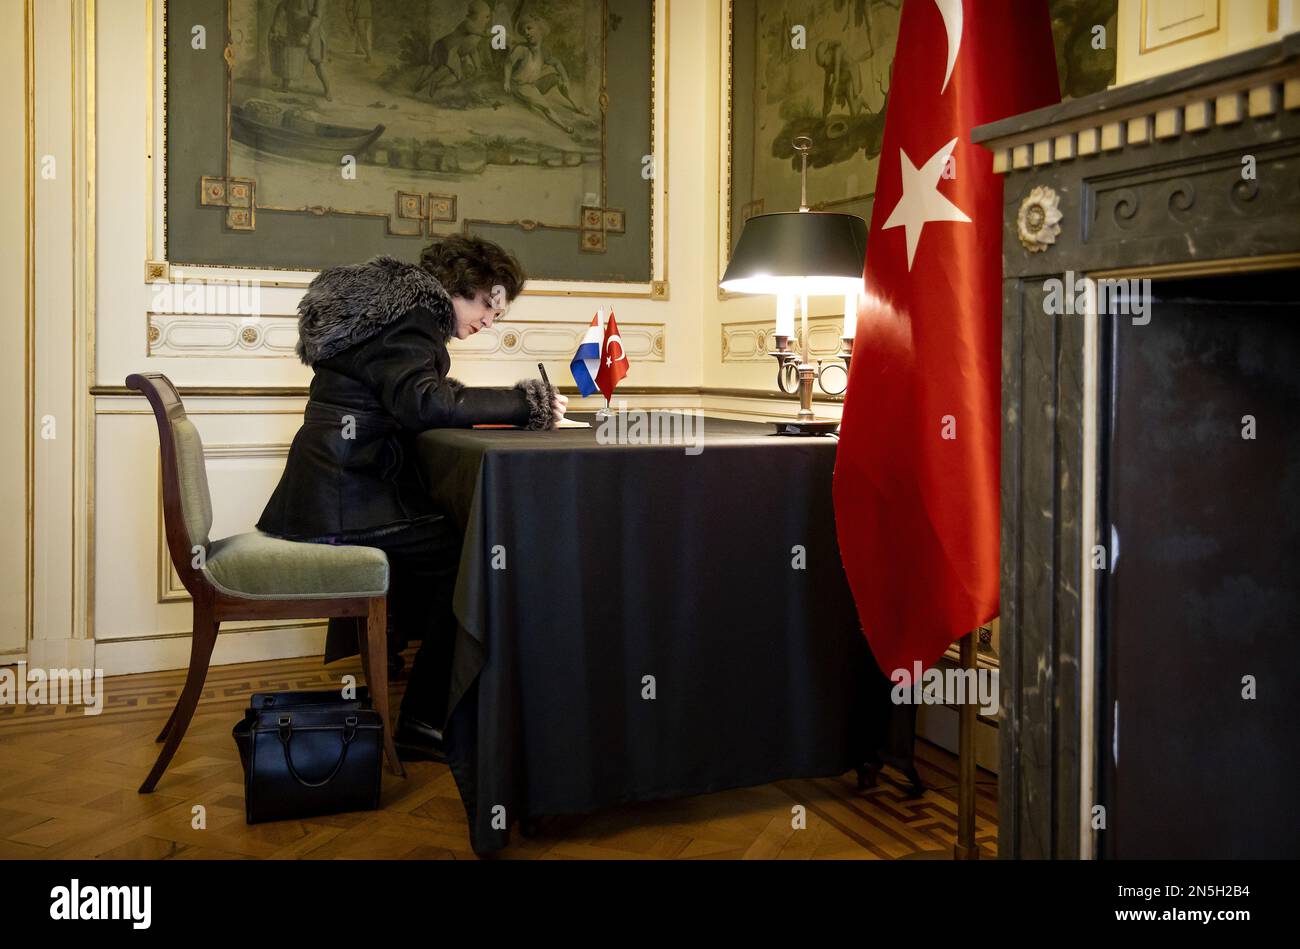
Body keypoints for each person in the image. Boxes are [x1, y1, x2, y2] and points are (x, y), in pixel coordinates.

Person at [256, 238, 568, 761]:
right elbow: (423, 401)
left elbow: (409, 394)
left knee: (451, 536)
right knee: (468, 557)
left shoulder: (386, 306)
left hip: (329, 490)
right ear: (459, 287)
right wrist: (525, 403)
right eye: (489, 305)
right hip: (346, 498)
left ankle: (420, 692)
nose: (491, 320)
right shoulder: (414, 312)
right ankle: (424, 720)